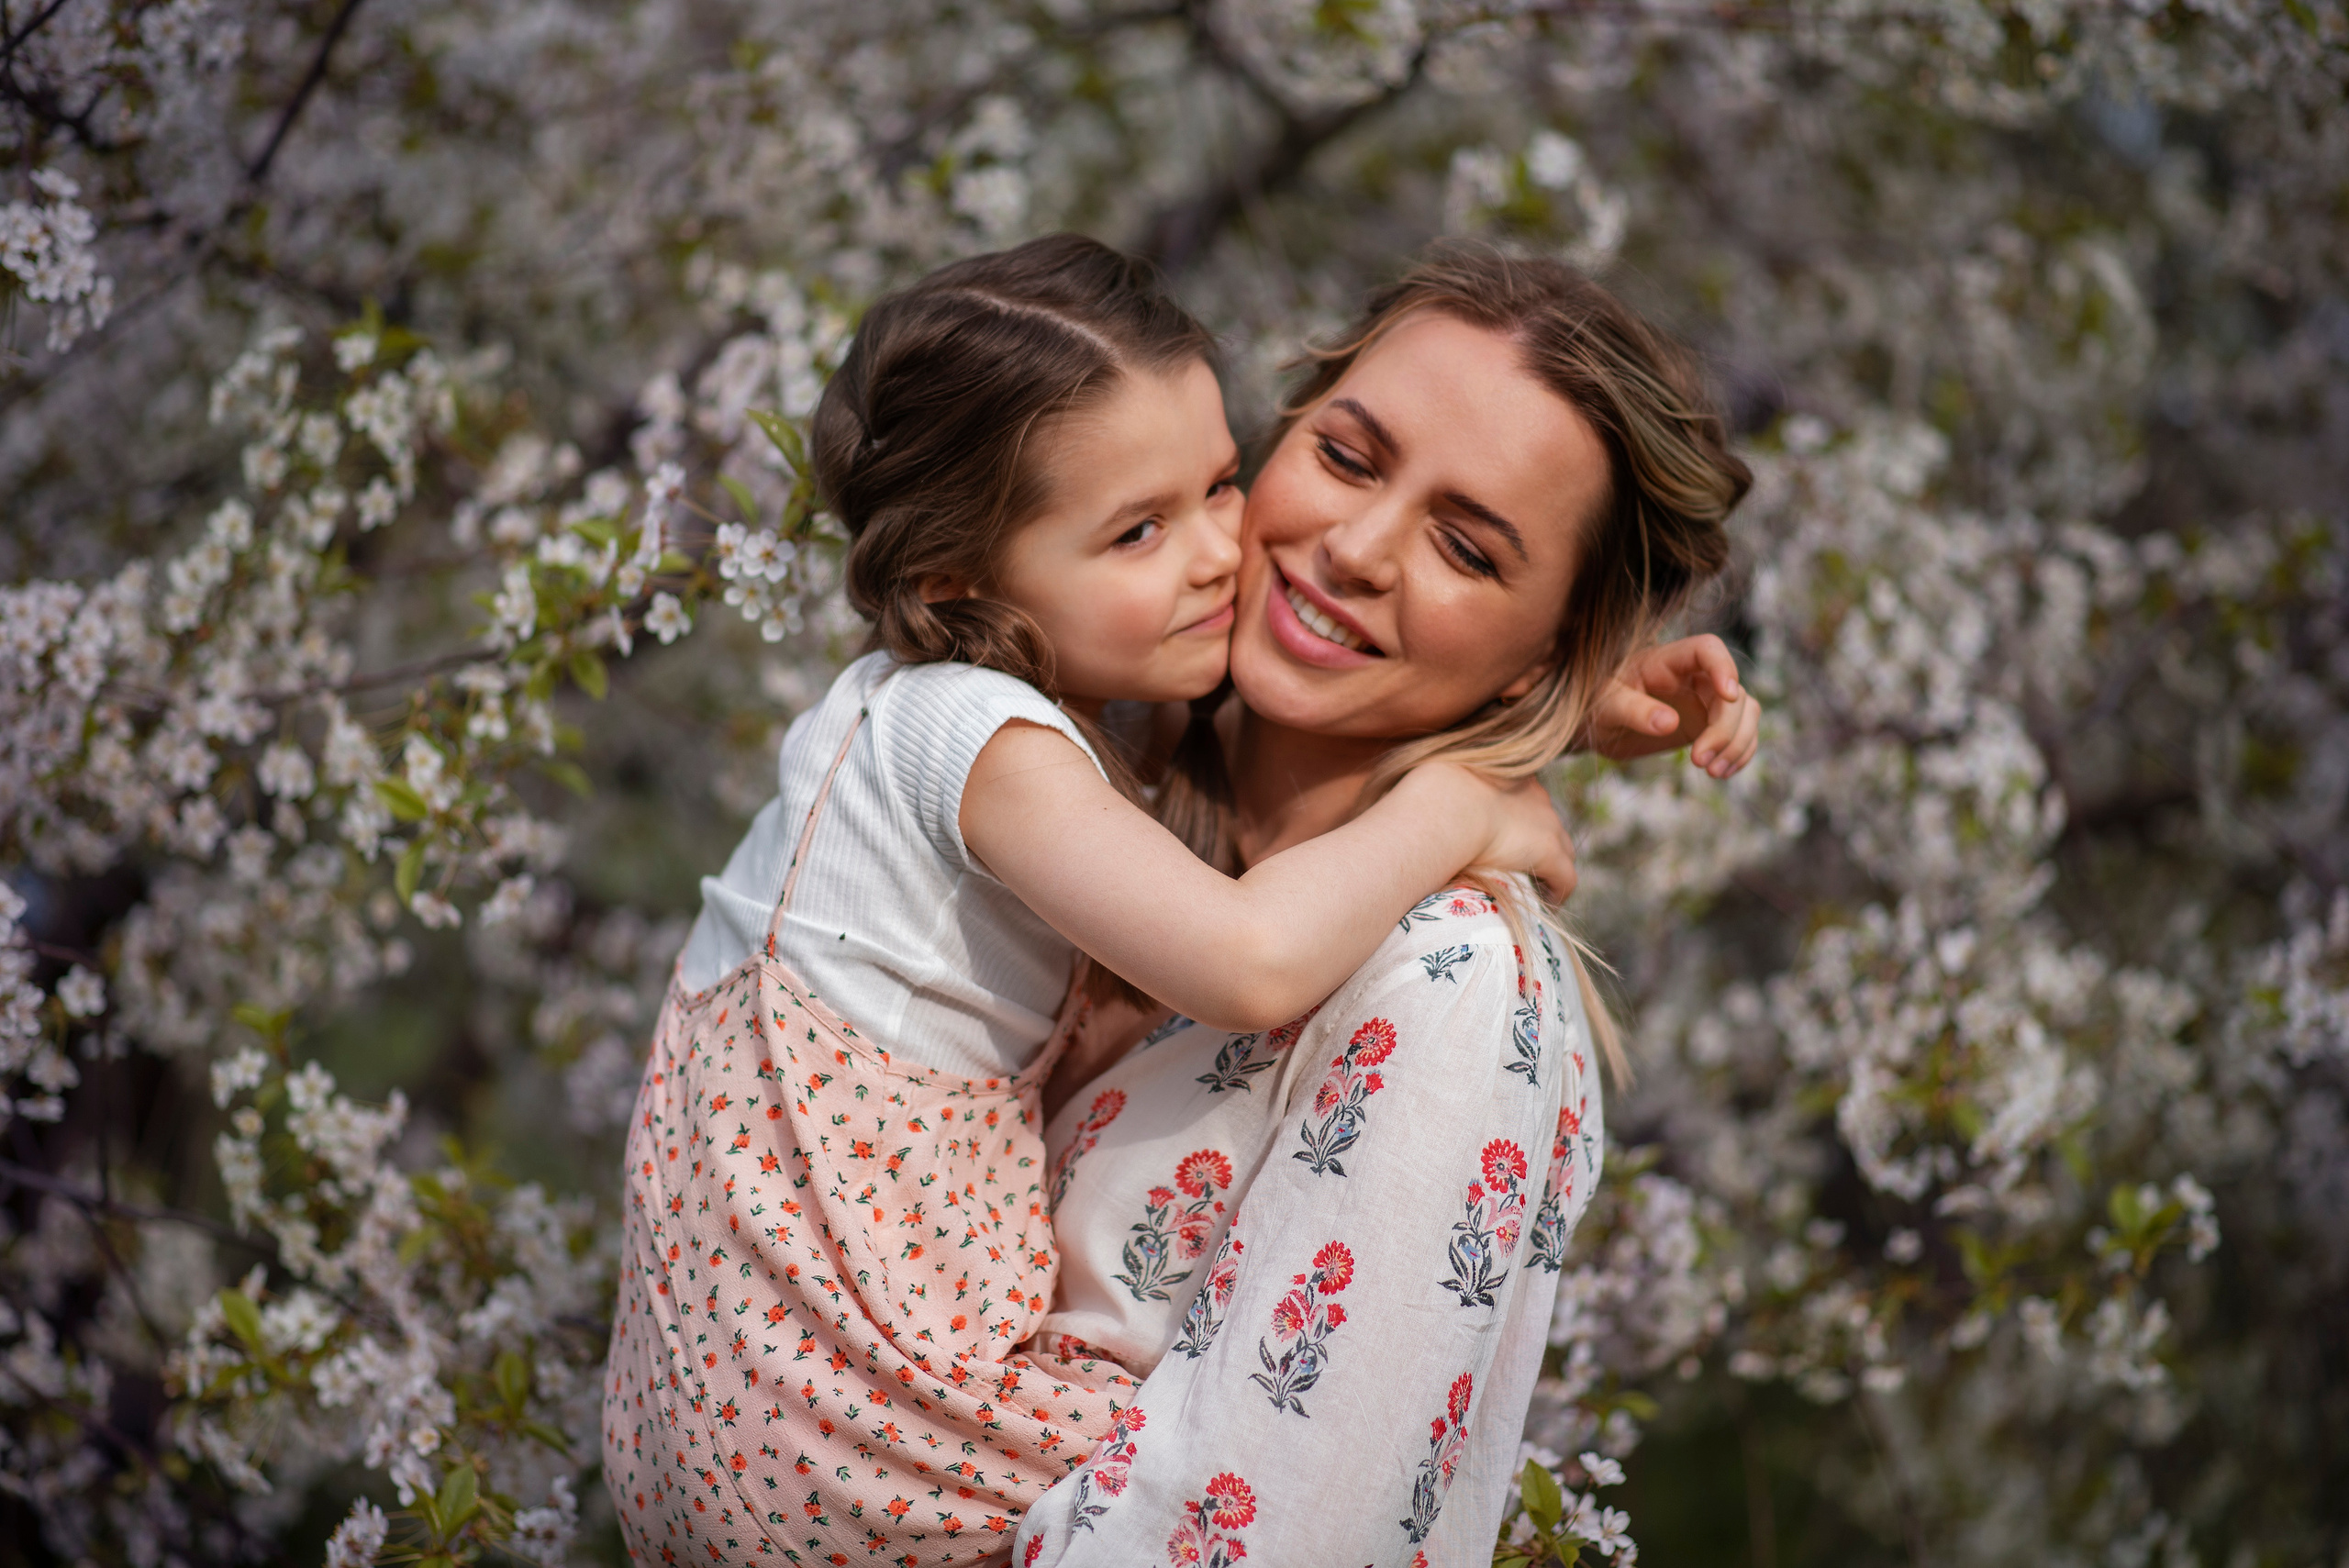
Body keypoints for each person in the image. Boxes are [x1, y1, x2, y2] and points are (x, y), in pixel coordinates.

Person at [598, 234, 1589, 1568]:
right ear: (959, 577)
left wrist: (1572, 717)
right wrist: (1466, 801)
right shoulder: (989, 734)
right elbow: (1247, 955)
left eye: (1219, 488)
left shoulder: (1452, 981)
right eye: (1344, 459)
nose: (1221, 555)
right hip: (836, 1428)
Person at [1015, 244, 1755, 1566]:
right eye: (1350, 458)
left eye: (1465, 548)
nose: (1354, 548)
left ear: (1548, 644)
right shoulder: (1087, 770)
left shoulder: (1451, 989)